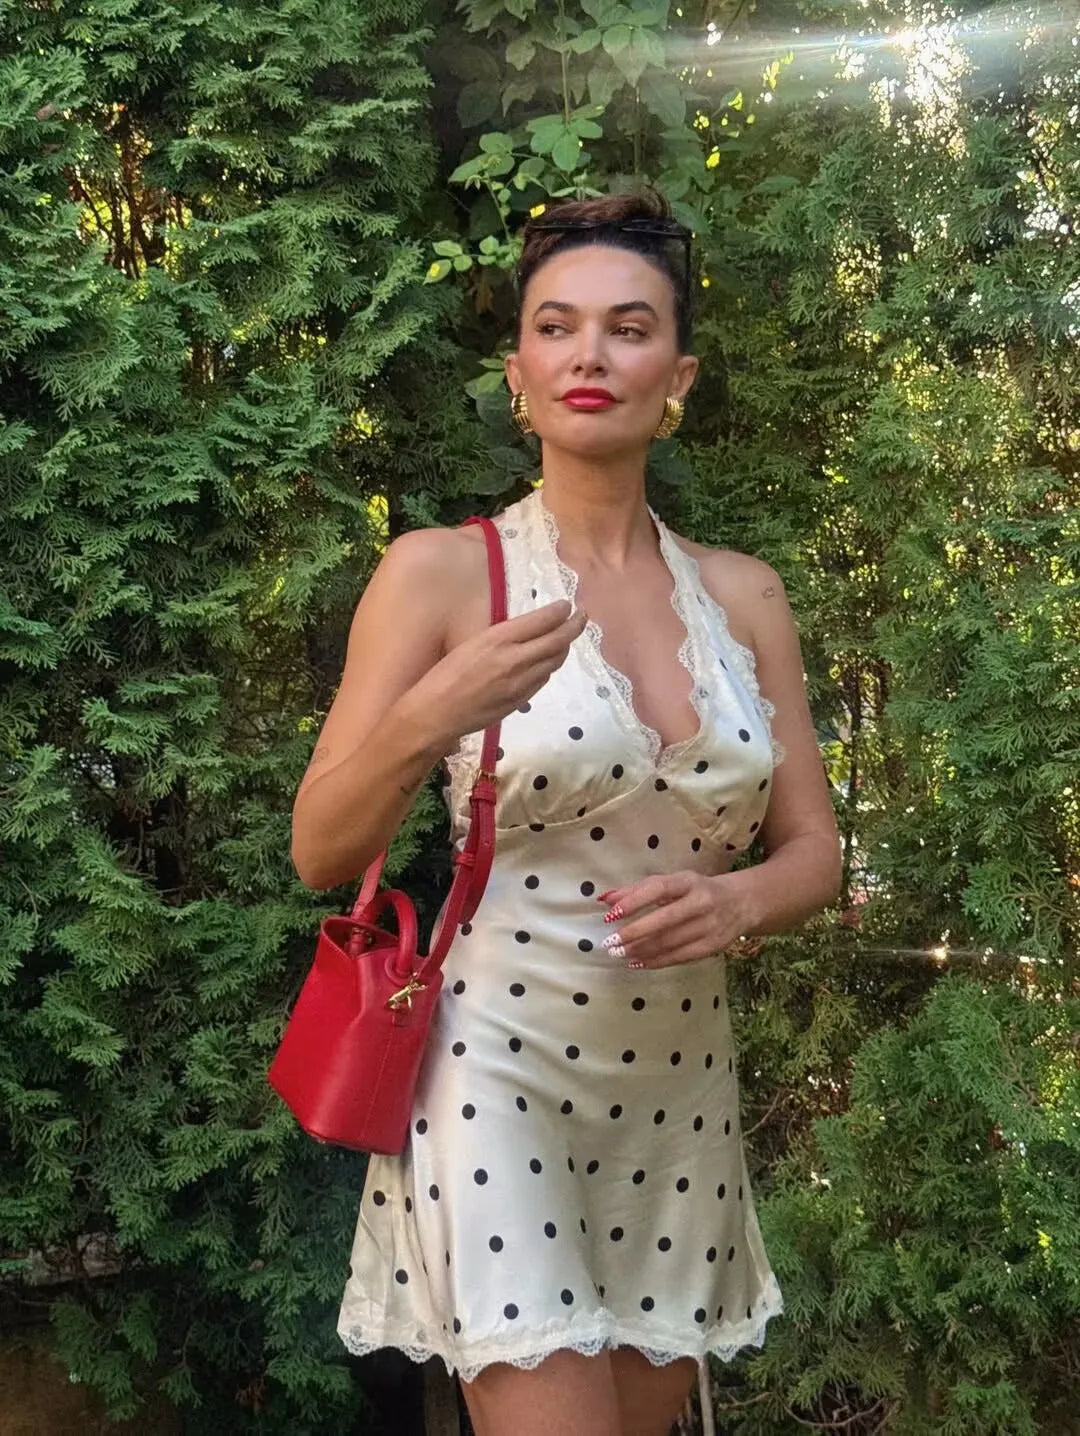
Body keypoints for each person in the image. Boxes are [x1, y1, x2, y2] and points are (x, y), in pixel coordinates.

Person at [290, 187, 842, 1436]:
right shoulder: (440, 571)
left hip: (676, 1091)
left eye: (629, 327)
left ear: (678, 373)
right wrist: (435, 710)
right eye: (558, 326)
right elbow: (320, 844)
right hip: (490, 1069)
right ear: (520, 372)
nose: (591, 352)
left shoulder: (746, 597)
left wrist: (738, 895)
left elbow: (815, 850)